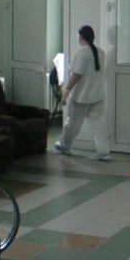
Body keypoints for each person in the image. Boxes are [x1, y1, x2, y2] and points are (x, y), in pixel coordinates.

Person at [55, 25, 111, 161]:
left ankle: (64, 145)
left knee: (72, 124)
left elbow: (76, 75)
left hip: (82, 97)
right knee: (98, 125)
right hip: (98, 95)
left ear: (81, 37)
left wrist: (66, 93)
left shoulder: (82, 53)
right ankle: (103, 151)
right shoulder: (101, 52)